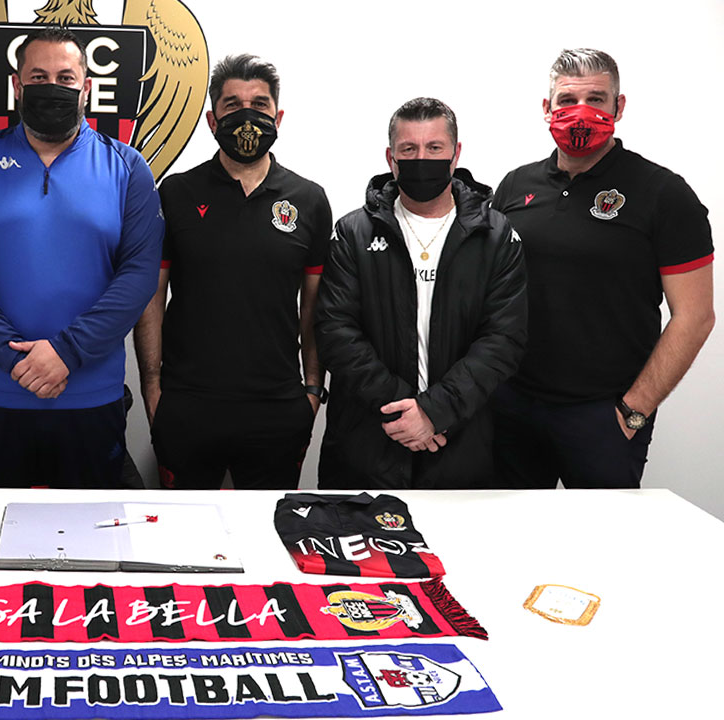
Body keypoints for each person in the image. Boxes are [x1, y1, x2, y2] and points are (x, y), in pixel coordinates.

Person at [0, 27, 164, 489]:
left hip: (90, 398)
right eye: (38, 77)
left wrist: (67, 353)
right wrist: (13, 358)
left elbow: (138, 275)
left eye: (65, 77)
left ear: (86, 87)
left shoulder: (128, 167)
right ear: (17, 86)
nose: (52, 87)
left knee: (91, 530)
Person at [491, 49, 714, 489]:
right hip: (512, 406)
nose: (581, 112)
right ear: (547, 108)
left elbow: (695, 316)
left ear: (619, 106)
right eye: (567, 100)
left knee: (603, 534)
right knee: (511, 530)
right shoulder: (515, 186)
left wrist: (633, 411)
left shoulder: (664, 194)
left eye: (596, 99)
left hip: (602, 417)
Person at [133, 54, 331, 490]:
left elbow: (314, 308)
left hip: (278, 406)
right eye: (232, 105)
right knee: (184, 528)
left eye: (259, 105)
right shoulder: (176, 192)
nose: (247, 115)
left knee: (271, 527)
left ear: (278, 117)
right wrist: (152, 387)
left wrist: (313, 390)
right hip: (187, 404)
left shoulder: (309, 200)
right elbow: (151, 297)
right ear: (212, 120)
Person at [316, 97, 527, 489]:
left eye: (434, 148)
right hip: (367, 444)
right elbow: (335, 331)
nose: (421, 158)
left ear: (455, 154)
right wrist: (408, 413)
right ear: (391, 158)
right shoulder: (353, 233)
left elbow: (503, 339)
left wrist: (435, 412)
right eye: (409, 149)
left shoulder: (496, 236)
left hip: (460, 444)